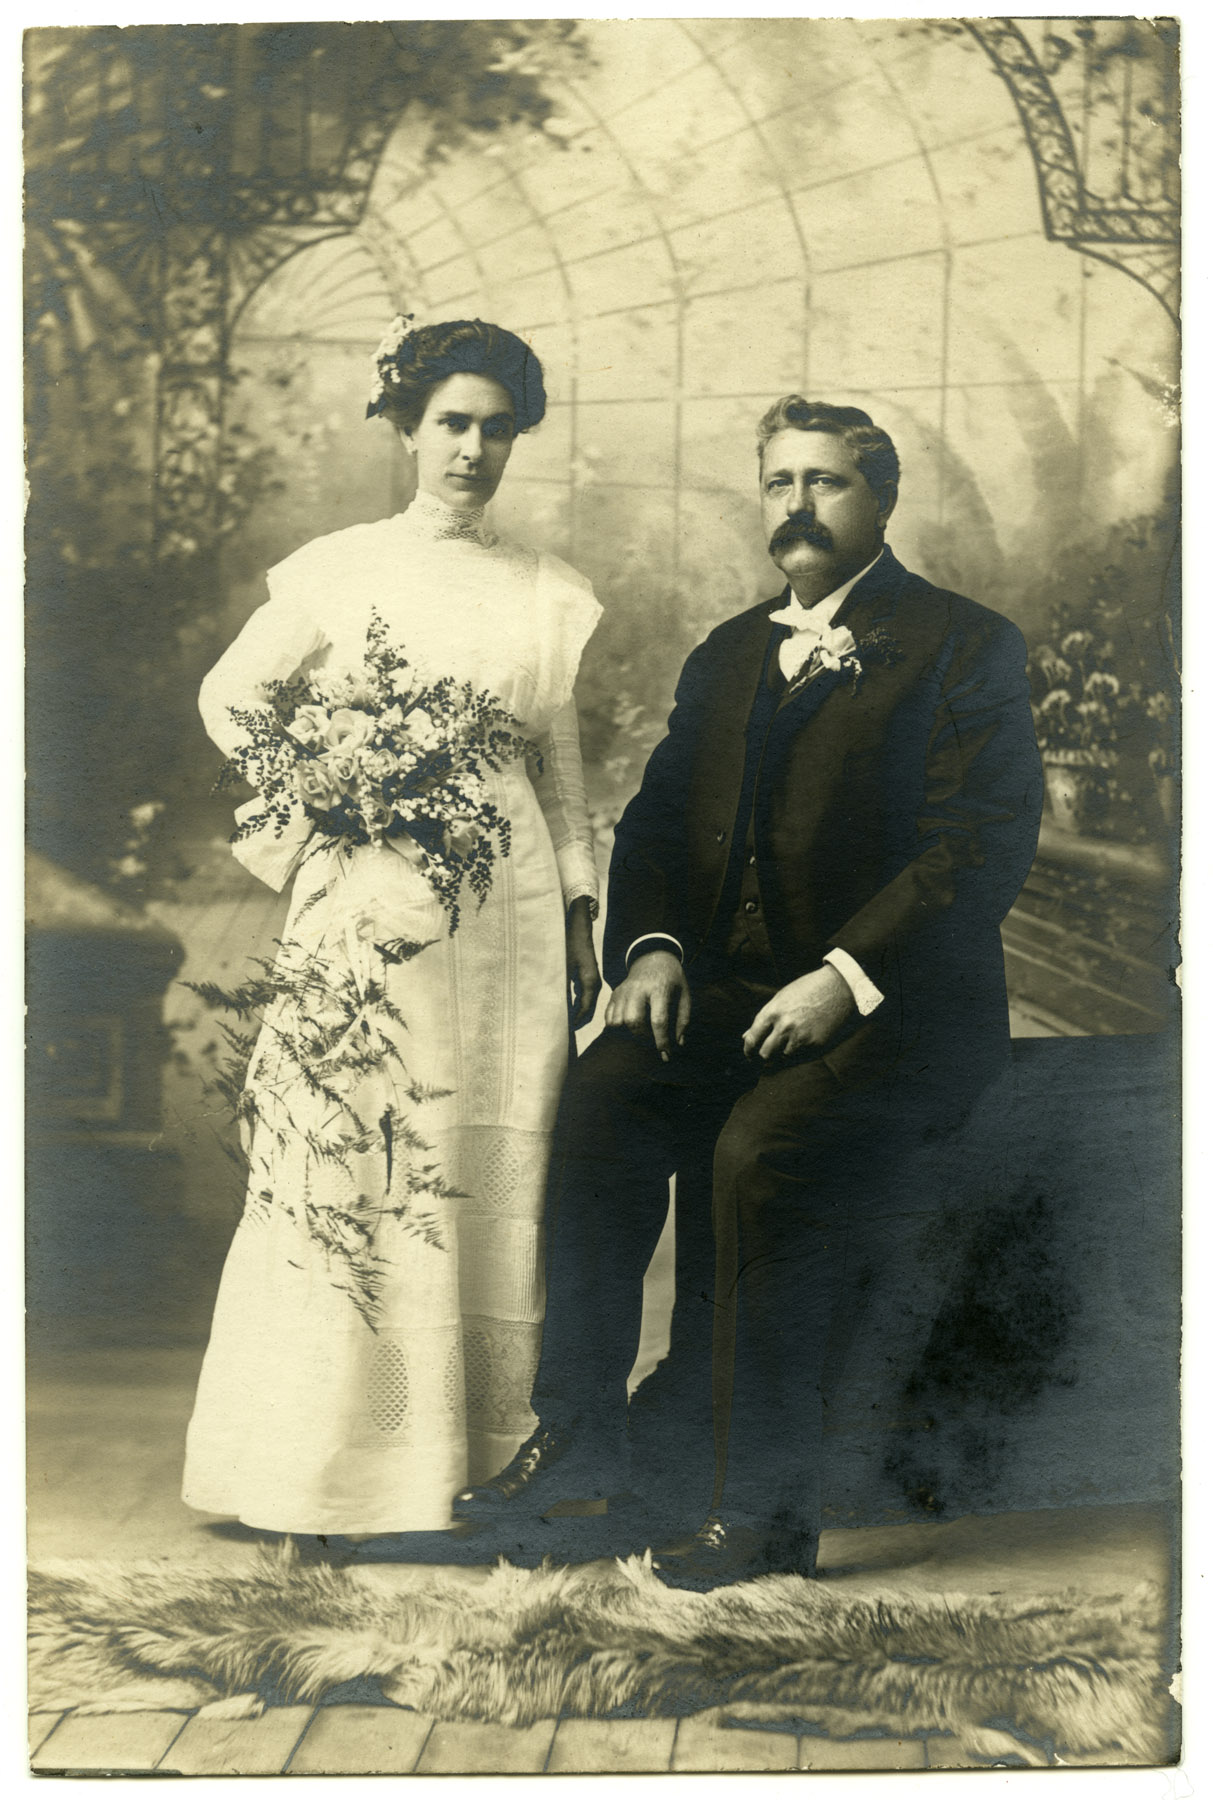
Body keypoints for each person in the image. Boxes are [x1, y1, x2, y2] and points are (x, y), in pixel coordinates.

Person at [455, 397, 1043, 1587]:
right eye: (780, 482)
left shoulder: (962, 643)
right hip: (734, 995)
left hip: (901, 1009)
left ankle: (762, 1508)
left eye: (826, 482)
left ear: (880, 500)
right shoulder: (727, 652)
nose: (797, 506)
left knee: (757, 1153)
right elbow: (658, 821)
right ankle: (583, 1436)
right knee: (606, 1093)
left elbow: (974, 847)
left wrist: (844, 976)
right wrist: (655, 949)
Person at [182, 318, 603, 1540]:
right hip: (375, 909)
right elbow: (232, 696)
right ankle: (321, 1467)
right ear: (408, 429)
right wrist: (326, 792)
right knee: (364, 1158)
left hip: (510, 914)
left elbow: (560, 771)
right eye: (451, 424)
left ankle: (477, 1459)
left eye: (495, 429)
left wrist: (583, 912)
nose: (472, 451)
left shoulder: (545, 590)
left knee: (487, 1163)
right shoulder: (342, 567)